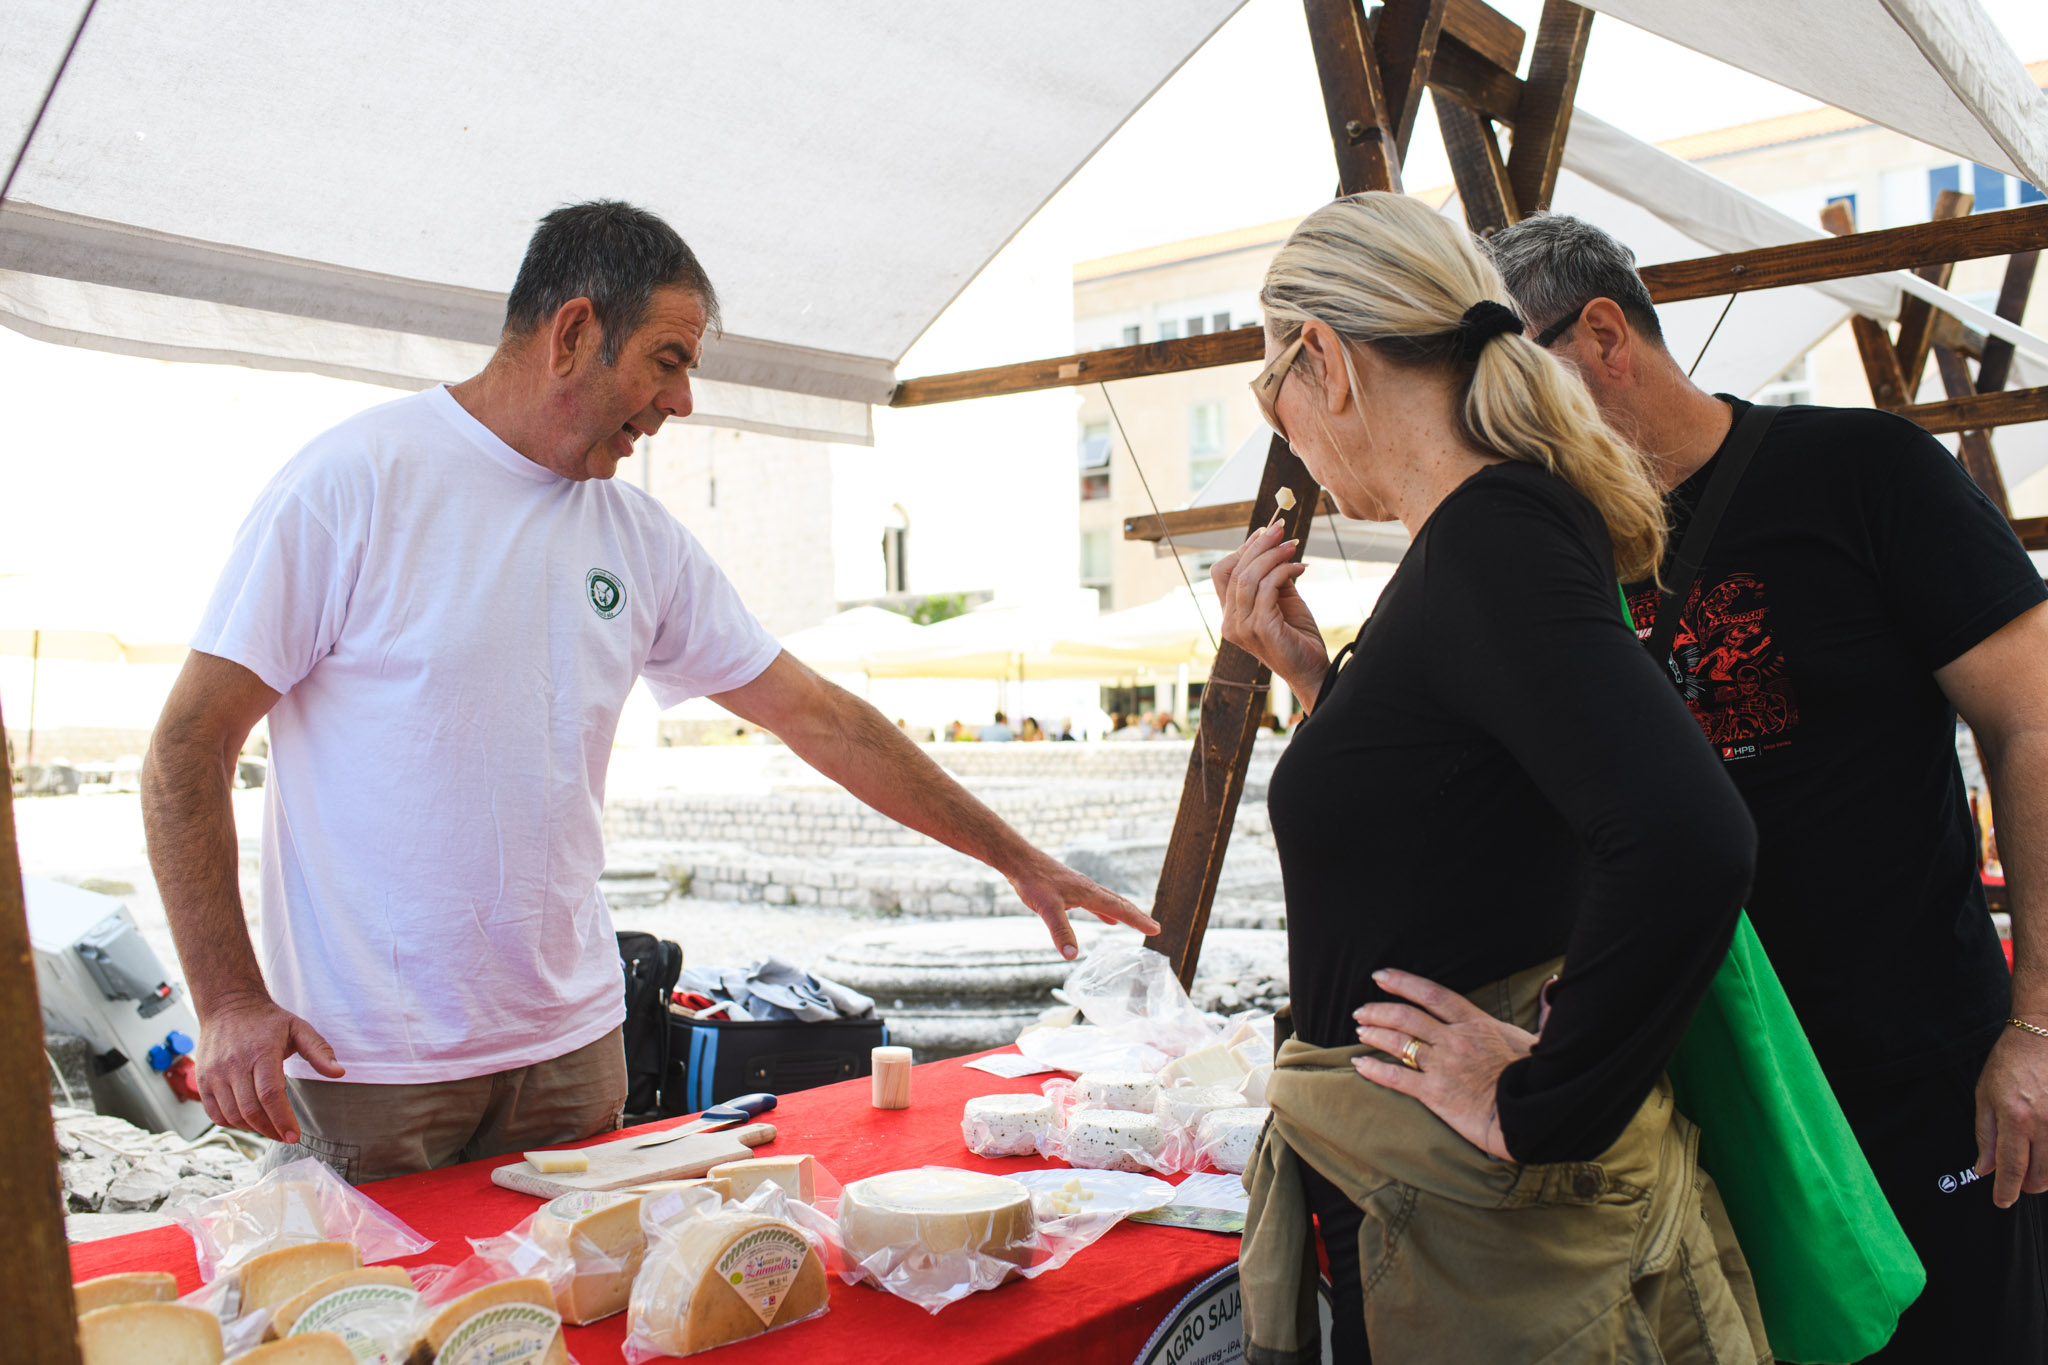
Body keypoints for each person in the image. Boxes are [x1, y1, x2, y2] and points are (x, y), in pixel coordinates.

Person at [140, 201, 1156, 1183]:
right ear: (575, 331)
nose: (681, 402)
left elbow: (822, 719)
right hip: (369, 1062)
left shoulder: (637, 540)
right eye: (667, 361)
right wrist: (228, 998)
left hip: (574, 1053)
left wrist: (1015, 857)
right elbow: (186, 748)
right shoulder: (353, 485)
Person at [1487, 211, 2048, 1361]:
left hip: (1911, 1073)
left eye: (1505, 383)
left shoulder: (1860, 471)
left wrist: (2037, 1024)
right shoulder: (1553, 555)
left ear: (1601, 335)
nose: (1492, 429)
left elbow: (2032, 722)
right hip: (1692, 1094)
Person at [1215, 192, 1764, 1361]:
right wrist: (1317, 684)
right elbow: (1480, 813)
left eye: (1273, 401)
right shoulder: (1481, 537)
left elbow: (1685, 835)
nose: (1290, 440)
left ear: (1322, 359)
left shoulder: (1489, 537)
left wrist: (1542, 1099)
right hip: (1445, 1208)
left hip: (1479, 1233)